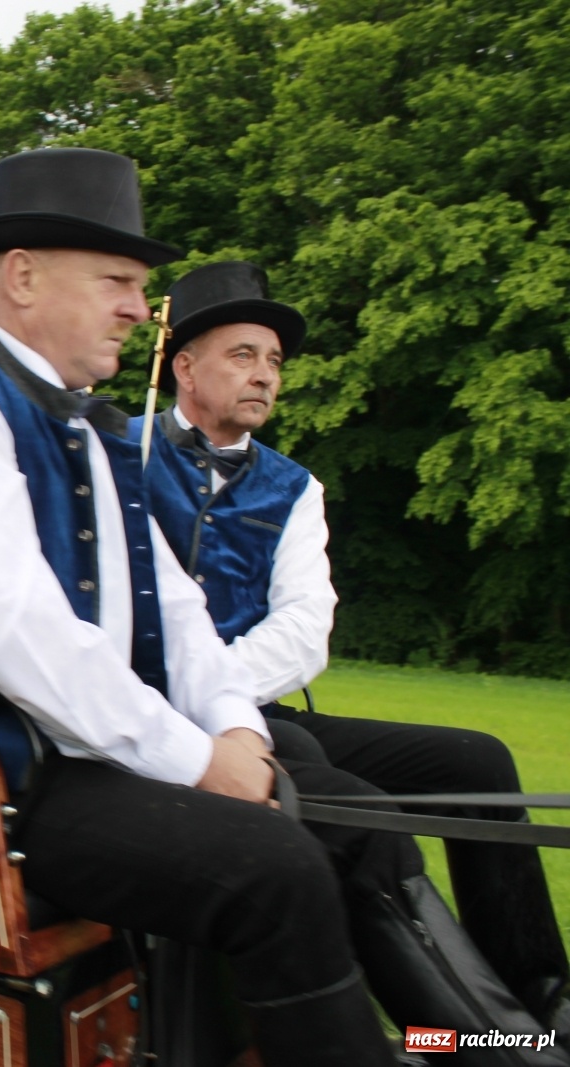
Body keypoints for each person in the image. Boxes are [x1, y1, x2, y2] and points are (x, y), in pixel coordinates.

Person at [0, 147, 565, 1066]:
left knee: (353, 822)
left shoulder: (80, 420)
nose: (141, 307)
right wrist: (194, 758)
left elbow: (168, 605)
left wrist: (236, 727)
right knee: (277, 870)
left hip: (66, 759)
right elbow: (15, 628)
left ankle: (500, 1046)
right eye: (119, 281)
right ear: (22, 277)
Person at [132, 260, 570, 1030]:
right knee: (323, 776)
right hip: (150, 716)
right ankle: (455, 1028)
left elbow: (306, 628)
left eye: (273, 361)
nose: (265, 375)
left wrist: (217, 690)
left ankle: (542, 996)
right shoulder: (118, 454)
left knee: (476, 758)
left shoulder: (296, 488)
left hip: (249, 702)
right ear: (185, 366)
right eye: (243, 356)